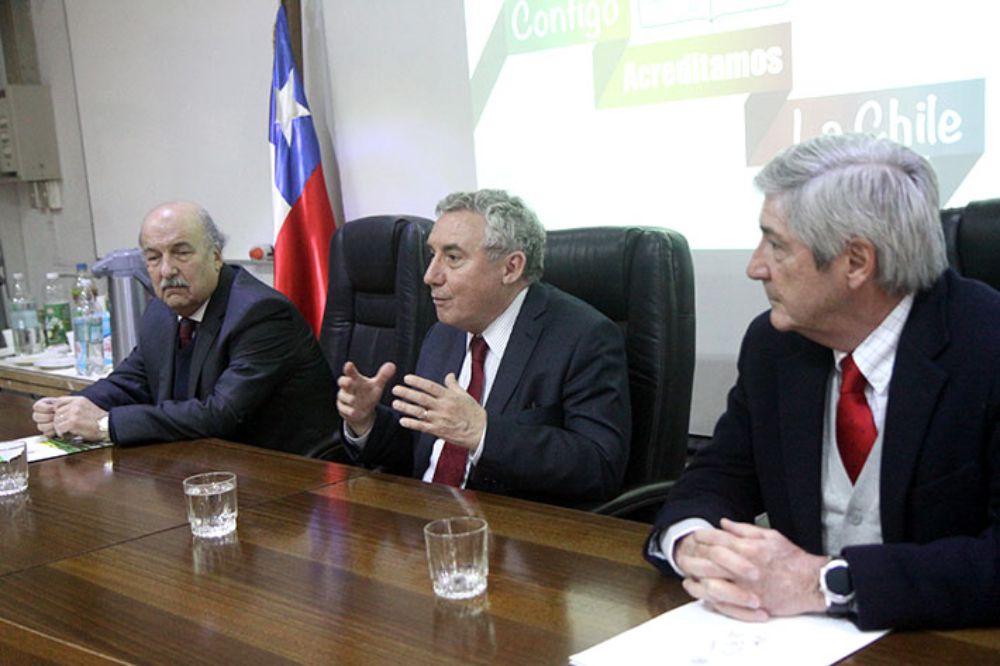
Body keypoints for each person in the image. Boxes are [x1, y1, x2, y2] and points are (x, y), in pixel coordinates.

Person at [645, 133, 1000, 630]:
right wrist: (693, 541)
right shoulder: (774, 347)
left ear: (855, 262)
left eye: (776, 244)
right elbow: (722, 475)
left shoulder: (987, 345)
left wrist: (822, 582)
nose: (755, 267)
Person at [336, 189, 630, 505]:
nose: (430, 275)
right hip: (422, 523)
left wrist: (483, 433)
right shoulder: (443, 334)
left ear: (511, 268)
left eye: (452, 257)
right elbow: (421, 448)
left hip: (512, 535)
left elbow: (599, 467)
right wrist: (366, 421)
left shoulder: (584, 338)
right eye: (432, 254)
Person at [32, 201, 336, 456]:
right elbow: (132, 380)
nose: (167, 270)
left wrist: (105, 425)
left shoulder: (261, 315)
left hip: (295, 479)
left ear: (216, 257)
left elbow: (220, 414)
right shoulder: (161, 312)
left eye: (181, 253)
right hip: (210, 466)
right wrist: (71, 407)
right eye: (153, 257)